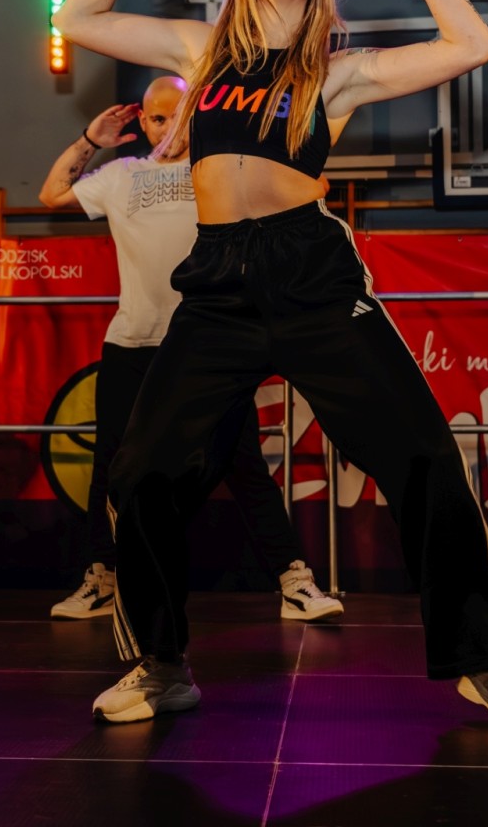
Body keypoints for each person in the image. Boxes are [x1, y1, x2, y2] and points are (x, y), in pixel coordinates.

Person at [51, 0, 488, 734]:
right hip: (217, 282)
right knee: (139, 471)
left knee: (424, 459)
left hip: (312, 275)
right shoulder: (201, 51)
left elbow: (473, 45)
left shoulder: (336, 71)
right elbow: (75, 18)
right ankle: (161, 664)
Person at [39, 77, 343, 626]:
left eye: (179, 115)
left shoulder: (220, 168)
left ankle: (293, 579)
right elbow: (52, 194)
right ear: (143, 122)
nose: (169, 128)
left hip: (209, 341)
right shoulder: (120, 175)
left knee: (241, 461)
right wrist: (90, 139)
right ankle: (102, 577)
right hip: (133, 340)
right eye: (158, 118)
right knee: (111, 464)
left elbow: (307, 190)